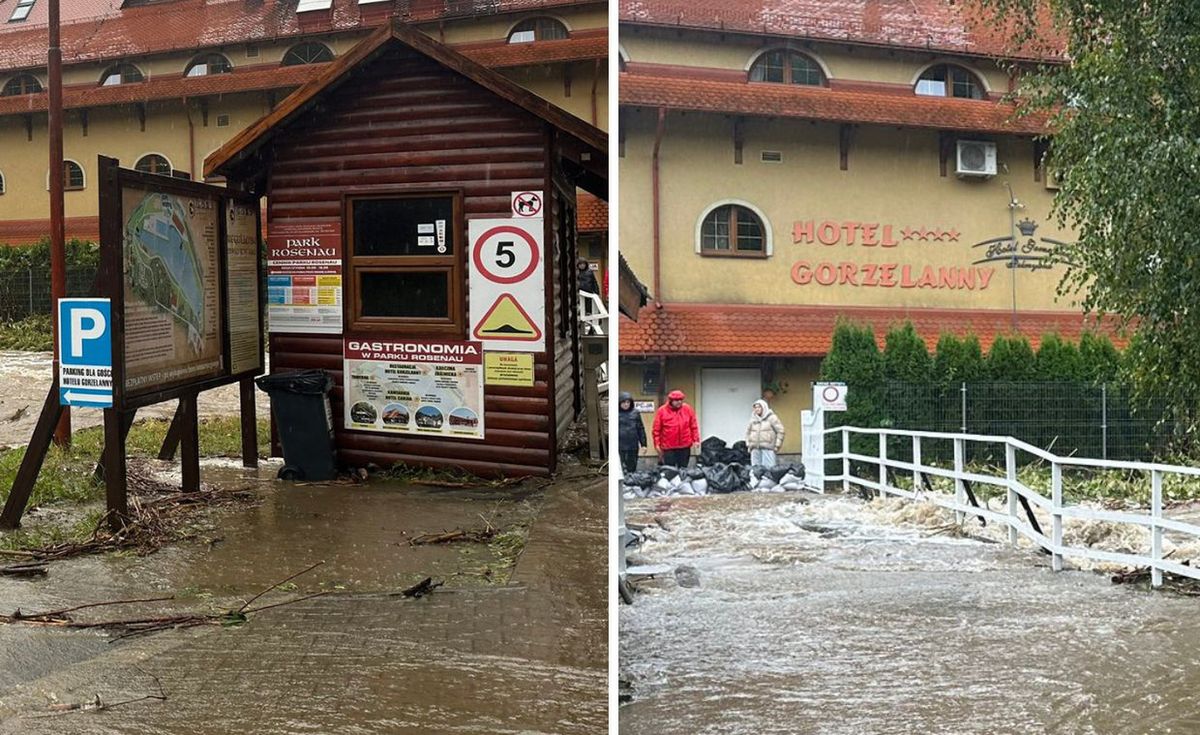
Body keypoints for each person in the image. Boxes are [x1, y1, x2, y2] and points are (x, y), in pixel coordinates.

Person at [652, 389, 700, 468]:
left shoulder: (688, 409)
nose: (679, 402)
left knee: (683, 469)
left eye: (681, 400)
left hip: (685, 445)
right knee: (670, 470)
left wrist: (696, 440)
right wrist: (657, 444)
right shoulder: (662, 411)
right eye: (676, 400)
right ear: (671, 401)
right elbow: (656, 429)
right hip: (668, 447)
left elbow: (693, 426)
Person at [745, 398, 785, 468]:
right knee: (756, 470)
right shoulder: (753, 419)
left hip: (768, 449)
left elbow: (780, 431)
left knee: (769, 470)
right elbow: (747, 433)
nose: (757, 409)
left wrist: (777, 446)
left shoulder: (772, 418)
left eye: (759, 407)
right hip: (755, 449)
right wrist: (748, 445)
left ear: (764, 407)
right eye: (755, 407)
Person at [617, 392, 647, 475]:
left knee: (632, 467)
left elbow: (640, 429)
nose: (626, 404)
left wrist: (644, 444)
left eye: (628, 402)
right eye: (623, 402)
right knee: (620, 467)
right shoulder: (616, 413)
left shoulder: (635, 413)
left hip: (632, 444)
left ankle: (630, 483)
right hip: (620, 445)